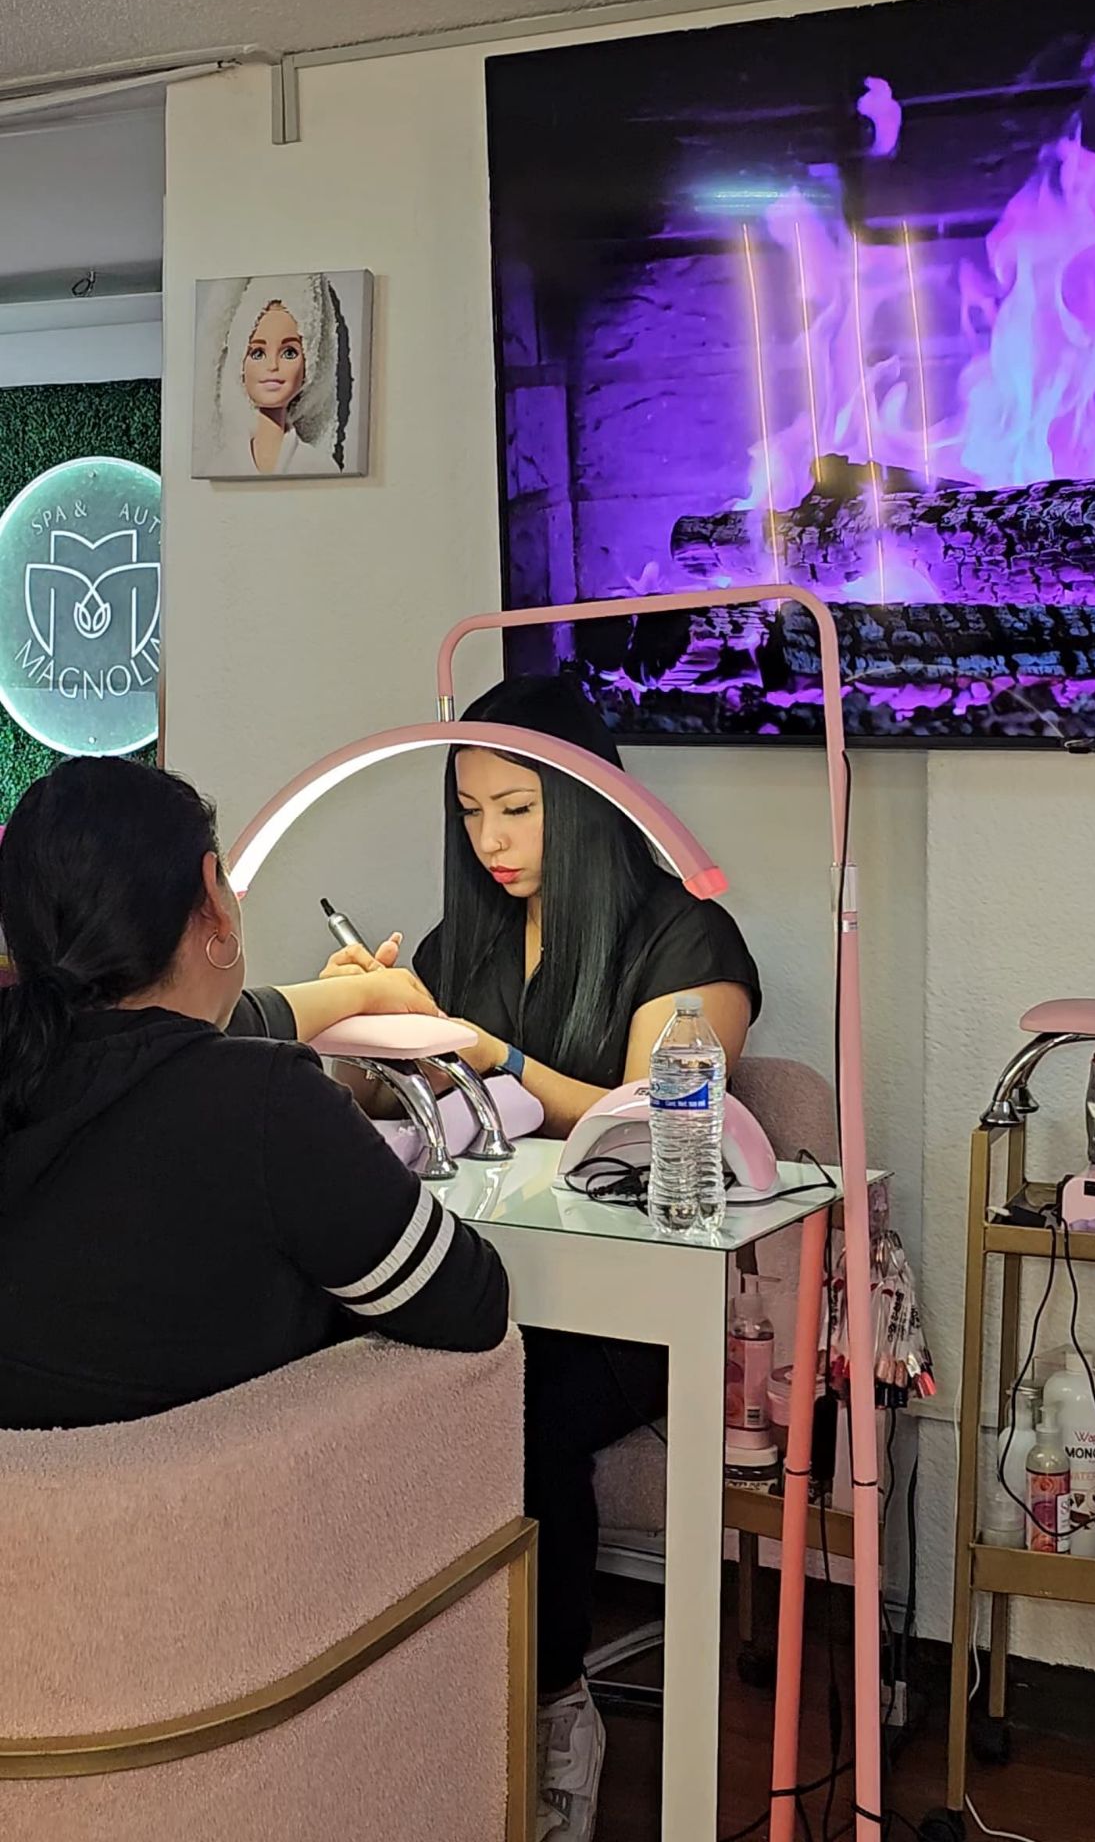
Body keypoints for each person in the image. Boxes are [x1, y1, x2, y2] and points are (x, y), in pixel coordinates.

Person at [328, 673, 761, 1842]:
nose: (493, 841)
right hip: (487, 1277)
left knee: (514, 1403)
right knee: (350, 1367)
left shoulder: (686, 936)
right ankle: (407, 1695)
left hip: (641, 1309)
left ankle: (552, 1704)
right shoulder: (462, 939)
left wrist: (494, 1052)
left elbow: (649, 1115)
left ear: (586, 801)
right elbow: (420, 1107)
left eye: (518, 809)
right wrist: (367, 1041)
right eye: (471, 813)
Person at [0, 757, 508, 1431]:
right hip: (226, 1488)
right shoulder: (267, 1101)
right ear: (213, 896)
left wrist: (358, 992)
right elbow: (470, 1304)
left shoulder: (33, 1058)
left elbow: (175, 1032)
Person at [207, 274, 344, 477]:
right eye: (258, 353)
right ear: (240, 363)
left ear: (310, 361)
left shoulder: (320, 468)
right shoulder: (220, 468)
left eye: (289, 353)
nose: (272, 365)